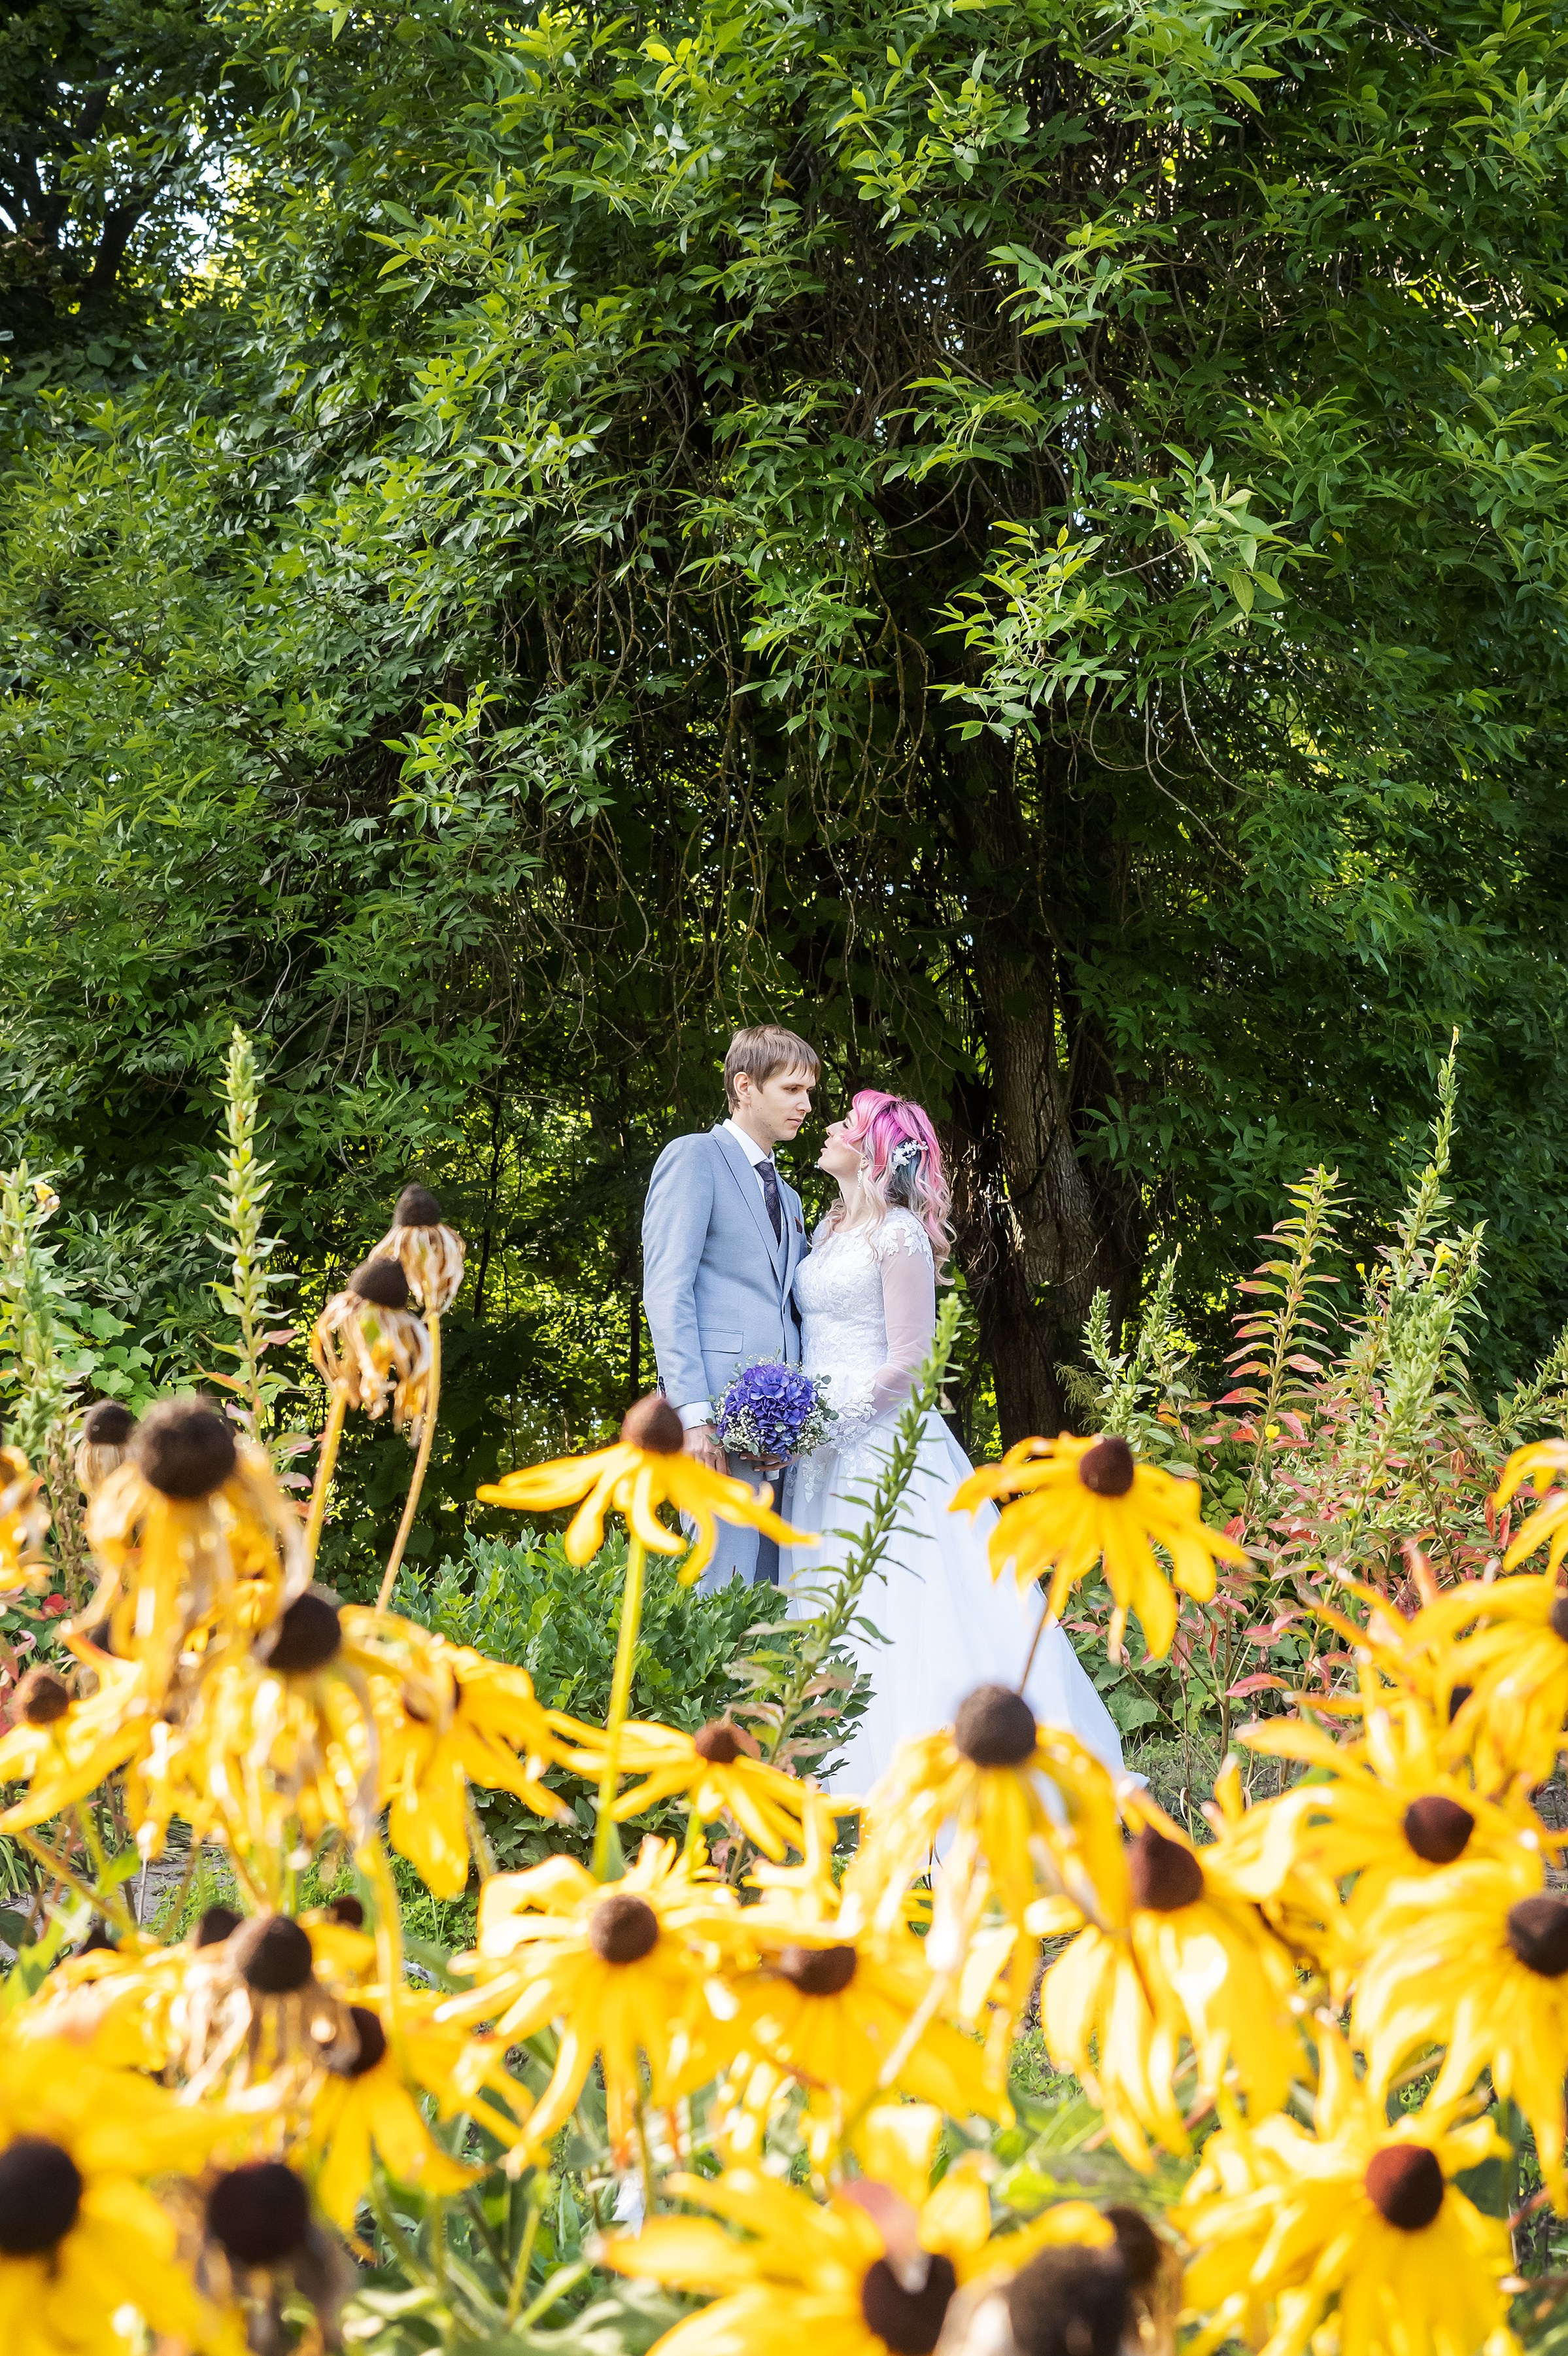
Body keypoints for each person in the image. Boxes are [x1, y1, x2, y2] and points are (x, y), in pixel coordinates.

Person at [784, 1088, 1125, 1791]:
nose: (827, 1127)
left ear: (875, 1148)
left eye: (844, 1123)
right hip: (816, 1453)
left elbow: (909, 1360)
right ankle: (829, 1783)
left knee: (903, 1607)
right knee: (826, 1600)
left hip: (880, 1446)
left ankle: (934, 1784)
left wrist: (830, 1421)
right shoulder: (825, 1229)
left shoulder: (898, 1233)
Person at [642, 1024, 817, 1589]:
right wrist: (693, 1415)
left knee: (774, 1594)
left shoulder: (787, 1196)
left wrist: (796, 1421)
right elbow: (668, 1289)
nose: (807, 1105)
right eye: (792, 1089)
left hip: (779, 1433)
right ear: (745, 1086)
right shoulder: (694, 1158)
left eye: (809, 1092)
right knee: (721, 1588)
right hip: (714, 1420)